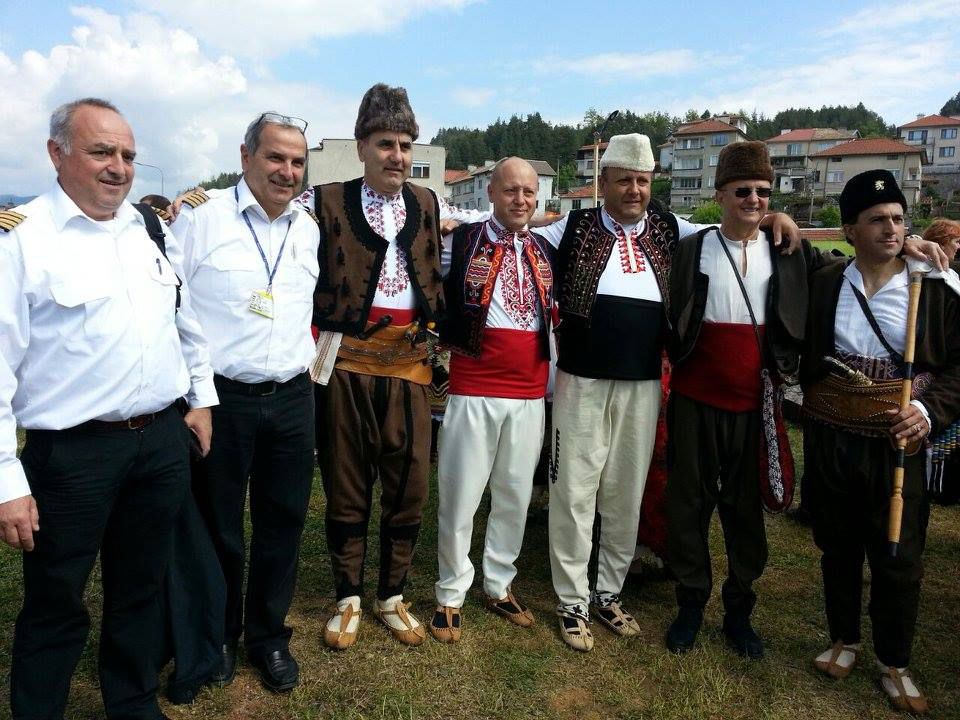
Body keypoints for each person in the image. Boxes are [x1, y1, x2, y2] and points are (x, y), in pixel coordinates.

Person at [530, 134, 801, 652]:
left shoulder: (671, 227)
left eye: (643, 181)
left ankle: (608, 592)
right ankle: (571, 599)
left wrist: (774, 218)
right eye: (625, 180)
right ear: (603, 182)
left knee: (626, 491)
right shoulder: (571, 226)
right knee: (573, 490)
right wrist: (453, 221)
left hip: (644, 385)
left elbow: (734, 226)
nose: (634, 190)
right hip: (580, 382)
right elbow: (514, 231)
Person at [0, 97, 217, 720]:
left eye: (127, 154)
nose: (118, 167)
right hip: (73, 455)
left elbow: (183, 319)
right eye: (101, 151)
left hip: (158, 444)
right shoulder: (23, 241)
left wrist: (199, 397)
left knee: (142, 586)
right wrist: (8, 482)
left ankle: (132, 701)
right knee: (56, 597)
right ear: (56, 154)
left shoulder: (147, 229)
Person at [308, 84, 486, 650]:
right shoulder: (324, 200)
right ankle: (348, 596)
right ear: (361, 146)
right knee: (347, 481)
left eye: (406, 144)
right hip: (347, 365)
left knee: (409, 484)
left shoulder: (431, 204)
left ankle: (391, 594)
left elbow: (491, 218)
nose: (398, 156)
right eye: (386, 143)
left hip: (410, 365)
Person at [167, 112, 318, 692]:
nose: (286, 171)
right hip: (220, 400)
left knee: (283, 521)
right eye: (275, 157)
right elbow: (174, 309)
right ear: (246, 155)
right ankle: (218, 635)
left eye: (297, 161)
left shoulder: (307, 227)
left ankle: (268, 636)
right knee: (218, 524)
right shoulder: (199, 220)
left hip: (291, 396)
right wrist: (195, 396)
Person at [801, 170, 960, 714]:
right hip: (833, 438)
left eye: (898, 218)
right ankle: (844, 638)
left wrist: (927, 411)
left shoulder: (935, 285)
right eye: (877, 220)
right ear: (850, 229)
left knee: (898, 554)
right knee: (837, 547)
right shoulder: (826, 281)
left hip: (898, 443)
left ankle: (895, 661)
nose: (891, 228)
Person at [664, 141, 824, 659]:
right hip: (694, 399)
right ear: (720, 194)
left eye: (763, 192)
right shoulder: (692, 245)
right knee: (689, 503)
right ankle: (690, 602)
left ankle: (739, 609)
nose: (753, 200)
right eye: (743, 191)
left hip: (754, 405)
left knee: (744, 510)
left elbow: (853, 264)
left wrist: (914, 247)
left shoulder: (787, 251)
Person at [430, 158, 554, 642]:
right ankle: (450, 591)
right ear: (490, 193)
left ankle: (499, 583)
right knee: (461, 495)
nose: (520, 200)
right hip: (474, 388)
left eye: (528, 192)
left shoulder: (546, 249)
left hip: (528, 395)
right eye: (510, 191)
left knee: (514, 495)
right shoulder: (458, 240)